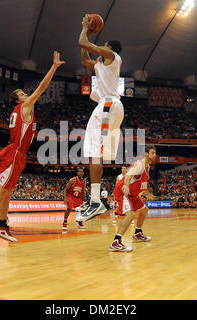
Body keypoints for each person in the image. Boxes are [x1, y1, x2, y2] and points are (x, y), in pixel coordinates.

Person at [0, 51, 65, 246]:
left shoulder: (20, 111)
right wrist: (54, 67)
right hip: (14, 152)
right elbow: (42, 88)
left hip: (18, 154)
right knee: (1, 191)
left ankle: (2, 225)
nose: (26, 95)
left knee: (8, 192)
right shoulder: (25, 107)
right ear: (19, 100)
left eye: (25, 93)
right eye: (23, 94)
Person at [76, 14, 124, 223]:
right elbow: (84, 58)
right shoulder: (101, 65)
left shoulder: (111, 56)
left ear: (108, 48)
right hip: (108, 107)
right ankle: (95, 199)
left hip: (107, 105)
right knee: (96, 154)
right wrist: (85, 37)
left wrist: (86, 28)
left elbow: (83, 42)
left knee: (95, 152)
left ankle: (96, 201)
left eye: (102, 48)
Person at [109, 145, 156, 252]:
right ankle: (116, 242)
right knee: (131, 214)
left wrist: (147, 193)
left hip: (132, 194)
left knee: (144, 210)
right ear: (146, 154)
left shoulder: (147, 167)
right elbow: (128, 175)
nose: (155, 155)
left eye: (155, 153)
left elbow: (143, 184)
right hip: (123, 192)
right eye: (153, 152)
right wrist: (125, 185)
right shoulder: (139, 164)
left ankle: (138, 233)